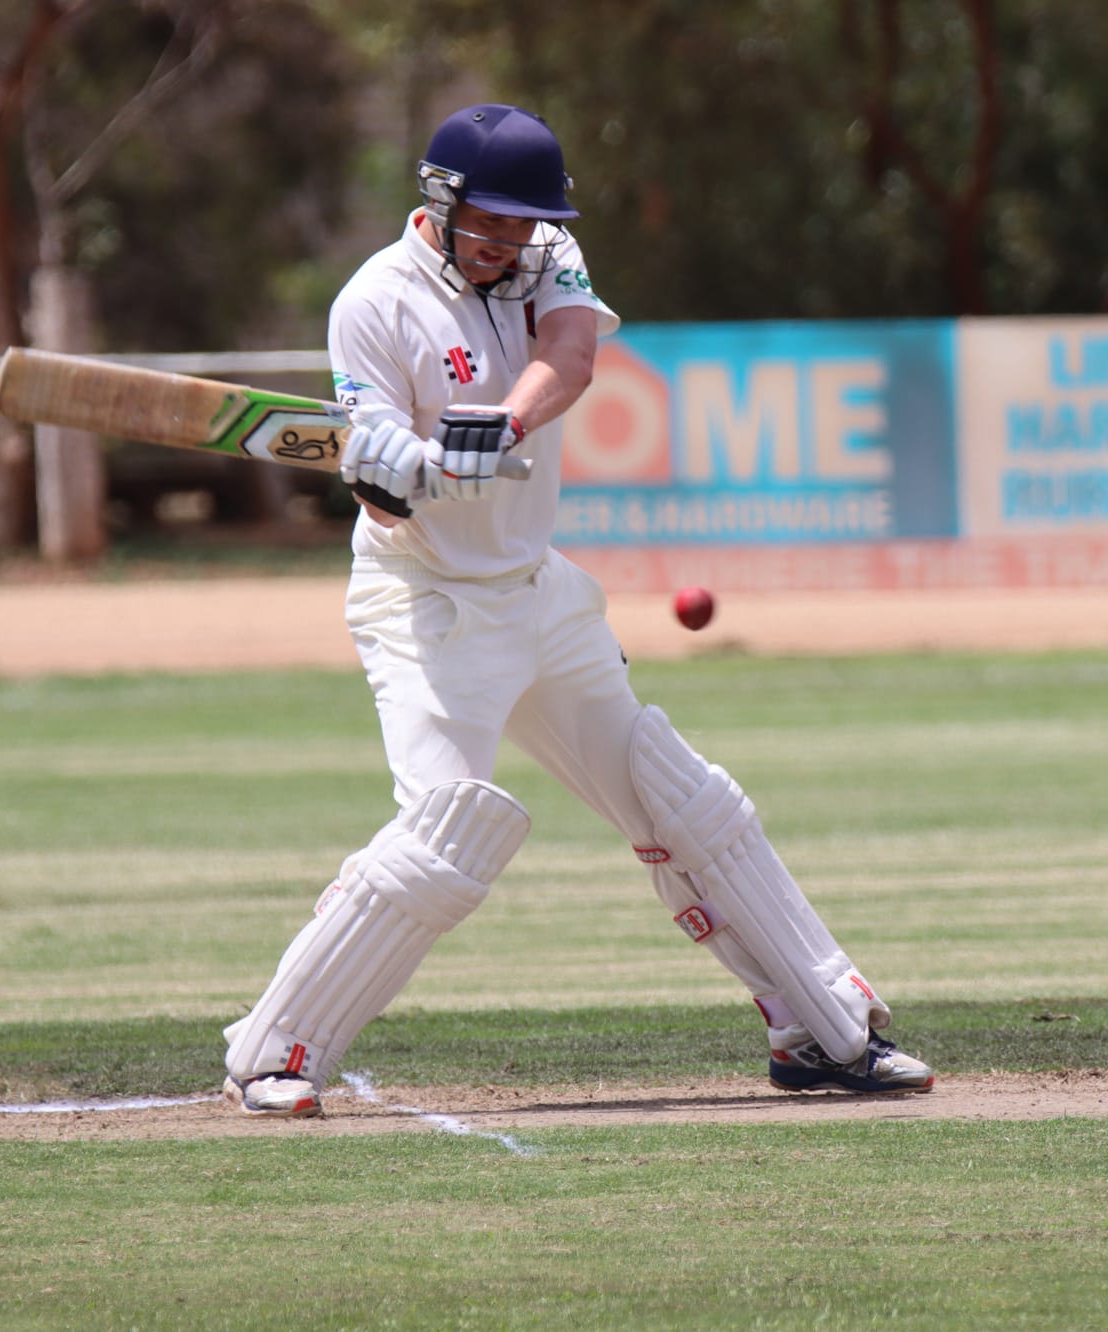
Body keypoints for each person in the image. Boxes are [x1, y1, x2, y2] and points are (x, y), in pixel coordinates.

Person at [220, 104, 934, 1118]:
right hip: (428, 603)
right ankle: (273, 1050)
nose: (509, 240)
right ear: (439, 203)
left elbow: (571, 354)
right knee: (445, 833)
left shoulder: (545, 253)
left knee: (680, 799)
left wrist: (499, 424)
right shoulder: (372, 303)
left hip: (539, 591)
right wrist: (389, 472)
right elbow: (376, 491)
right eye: (491, 222)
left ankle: (821, 1030)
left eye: (525, 222)